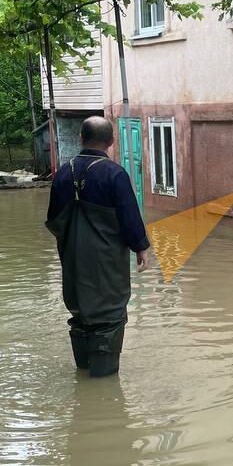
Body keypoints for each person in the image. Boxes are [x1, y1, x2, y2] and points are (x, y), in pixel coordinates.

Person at [46, 117, 151, 378]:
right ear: (111, 142)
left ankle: (83, 372)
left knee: (80, 311)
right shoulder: (114, 173)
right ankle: (103, 385)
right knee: (109, 315)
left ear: (81, 138)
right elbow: (130, 217)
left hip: (72, 259)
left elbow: (53, 220)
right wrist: (141, 247)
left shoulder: (62, 174)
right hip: (107, 261)